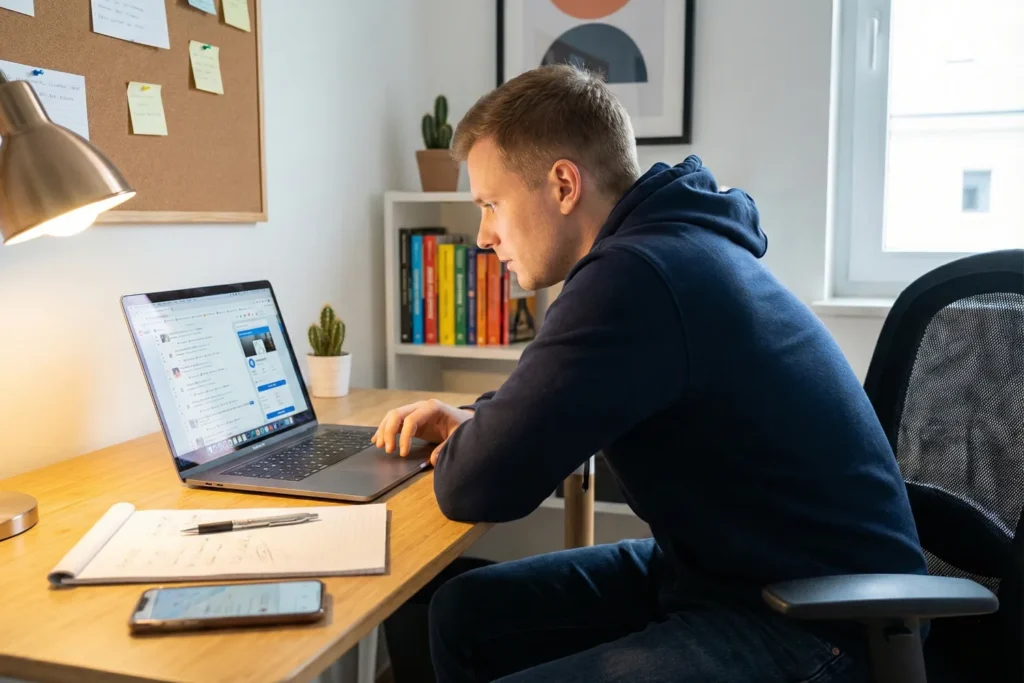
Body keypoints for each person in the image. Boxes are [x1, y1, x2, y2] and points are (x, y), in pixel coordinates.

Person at [372, 65, 926, 683]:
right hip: (727, 572)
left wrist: (480, 443)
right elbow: (559, 396)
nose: (483, 236)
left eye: (491, 205)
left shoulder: (637, 276)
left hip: (821, 621)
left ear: (562, 184)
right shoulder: (671, 244)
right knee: (463, 614)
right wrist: (479, 420)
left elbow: (477, 488)